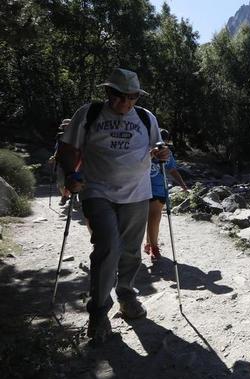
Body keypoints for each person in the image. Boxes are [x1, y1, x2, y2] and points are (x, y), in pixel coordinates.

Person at [57, 68, 168, 344]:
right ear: (108, 93)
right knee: (107, 246)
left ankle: (127, 296)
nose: (125, 103)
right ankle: (98, 313)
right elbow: (67, 148)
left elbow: (158, 146)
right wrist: (70, 176)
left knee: (130, 251)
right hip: (96, 190)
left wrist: (162, 152)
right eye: (120, 97)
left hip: (137, 193)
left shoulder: (145, 117)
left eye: (131, 97)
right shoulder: (89, 113)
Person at [145, 128, 187, 262]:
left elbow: (172, 169)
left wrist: (182, 184)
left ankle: (151, 245)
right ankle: (152, 245)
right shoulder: (144, 151)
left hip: (159, 189)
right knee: (152, 217)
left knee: (154, 217)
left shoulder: (167, 154)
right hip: (143, 188)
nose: (163, 144)